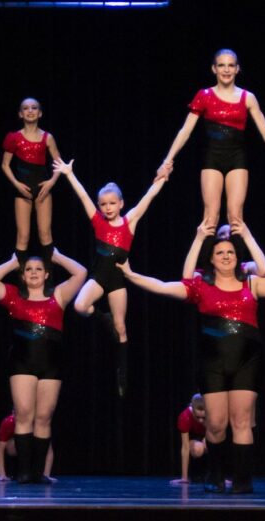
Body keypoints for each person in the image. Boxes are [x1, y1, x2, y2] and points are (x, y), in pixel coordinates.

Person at [119, 221, 265, 494]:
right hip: (212, 363)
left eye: (230, 252)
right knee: (216, 424)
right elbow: (161, 286)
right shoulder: (199, 287)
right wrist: (130, 274)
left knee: (241, 421)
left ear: (237, 257)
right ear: (211, 259)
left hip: (247, 360)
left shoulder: (252, 283)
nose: (226, 256)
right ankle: (216, 475)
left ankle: (242, 480)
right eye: (220, 252)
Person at [52, 158, 168, 397]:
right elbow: (83, 196)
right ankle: (102, 318)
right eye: (103, 204)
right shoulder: (98, 222)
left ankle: (122, 373)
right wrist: (69, 174)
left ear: (121, 203)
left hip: (117, 281)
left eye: (112, 203)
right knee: (80, 306)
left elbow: (148, 197)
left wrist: (162, 179)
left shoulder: (129, 222)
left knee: (121, 328)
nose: (107, 207)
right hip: (98, 276)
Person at [0, 249, 86, 484]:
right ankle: (23, 473)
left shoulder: (58, 296)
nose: (33, 272)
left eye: (38, 269)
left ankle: (39, 473)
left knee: (44, 417)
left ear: (47, 274)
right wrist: (12, 263)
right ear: (22, 275)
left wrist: (58, 257)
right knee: (24, 415)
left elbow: (81, 273)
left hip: (51, 365)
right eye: (28, 269)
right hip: (22, 364)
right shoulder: (13, 297)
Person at [159, 48, 265, 227]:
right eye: (222, 65)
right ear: (214, 69)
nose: (226, 70)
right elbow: (185, 131)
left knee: (236, 217)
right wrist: (167, 161)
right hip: (212, 158)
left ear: (237, 69)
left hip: (237, 158)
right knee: (210, 217)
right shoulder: (204, 96)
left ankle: (239, 247)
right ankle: (205, 246)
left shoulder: (248, 98)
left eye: (231, 65)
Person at [2, 98, 63, 263]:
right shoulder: (14, 138)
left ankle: (48, 276)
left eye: (34, 108)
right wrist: (16, 184)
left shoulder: (47, 138)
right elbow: (5, 165)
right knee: (23, 236)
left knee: (45, 234)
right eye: (26, 108)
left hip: (43, 190)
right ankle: (22, 276)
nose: (30, 111)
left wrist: (51, 182)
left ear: (40, 113)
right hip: (23, 190)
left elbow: (59, 163)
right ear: (20, 114)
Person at [0, 409, 55, 483]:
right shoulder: (8, 423)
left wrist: (46, 475)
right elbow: (0, 450)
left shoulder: (37, 423)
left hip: (33, 449)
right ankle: (19, 469)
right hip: (16, 451)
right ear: (13, 413)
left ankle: (35, 471)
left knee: (42, 441)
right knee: (11, 444)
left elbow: (49, 450)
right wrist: (2, 475)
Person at [169, 394, 208, 486]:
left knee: (211, 444)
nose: (201, 421)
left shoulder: (212, 415)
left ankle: (215, 475)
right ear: (192, 408)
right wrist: (184, 478)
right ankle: (195, 472)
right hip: (193, 439)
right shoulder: (185, 416)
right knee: (198, 449)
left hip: (206, 437)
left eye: (203, 417)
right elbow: (185, 447)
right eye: (198, 417)